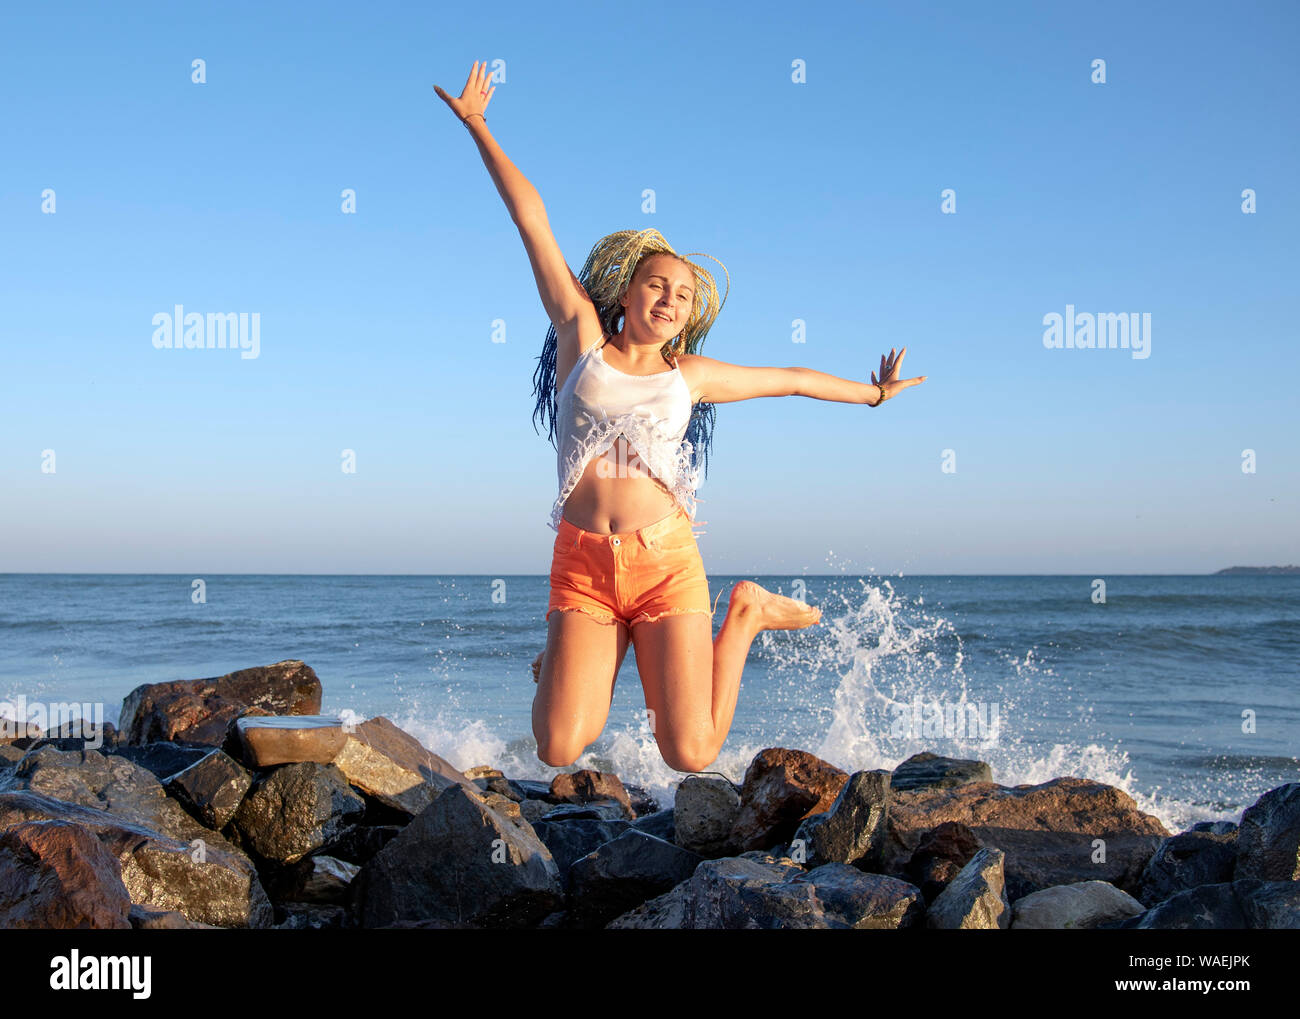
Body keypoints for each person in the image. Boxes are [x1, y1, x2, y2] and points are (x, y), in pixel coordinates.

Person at [434, 62, 926, 774]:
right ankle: (566, 654)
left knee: (689, 752)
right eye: (657, 284)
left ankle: (747, 612)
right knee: (559, 746)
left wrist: (873, 395)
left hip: (666, 564)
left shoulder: (687, 377)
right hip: (582, 565)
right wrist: (479, 126)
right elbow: (531, 220)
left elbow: (789, 380)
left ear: (690, 316)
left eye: (684, 295)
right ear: (627, 291)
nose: (669, 298)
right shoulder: (581, 338)